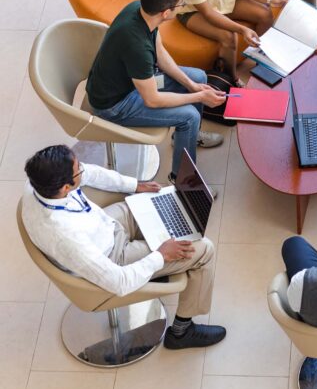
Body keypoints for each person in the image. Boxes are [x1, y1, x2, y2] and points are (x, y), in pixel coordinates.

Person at [22, 145, 226, 350]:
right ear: (66, 187)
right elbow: (119, 282)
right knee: (204, 249)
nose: (83, 170)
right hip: (112, 256)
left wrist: (135, 185)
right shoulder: (65, 235)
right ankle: (182, 332)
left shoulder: (38, 184)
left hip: (105, 225)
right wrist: (160, 256)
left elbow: (90, 173)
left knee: (159, 200)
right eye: (78, 171)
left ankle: (158, 268)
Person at [86, 0, 227, 183]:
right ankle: (182, 179)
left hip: (133, 82)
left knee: (197, 76)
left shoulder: (140, 9)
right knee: (189, 116)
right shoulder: (137, 48)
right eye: (181, 3)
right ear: (166, 12)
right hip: (114, 104)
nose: (184, 5)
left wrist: (193, 86)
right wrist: (198, 97)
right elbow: (152, 99)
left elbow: (160, 54)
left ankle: (189, 137)